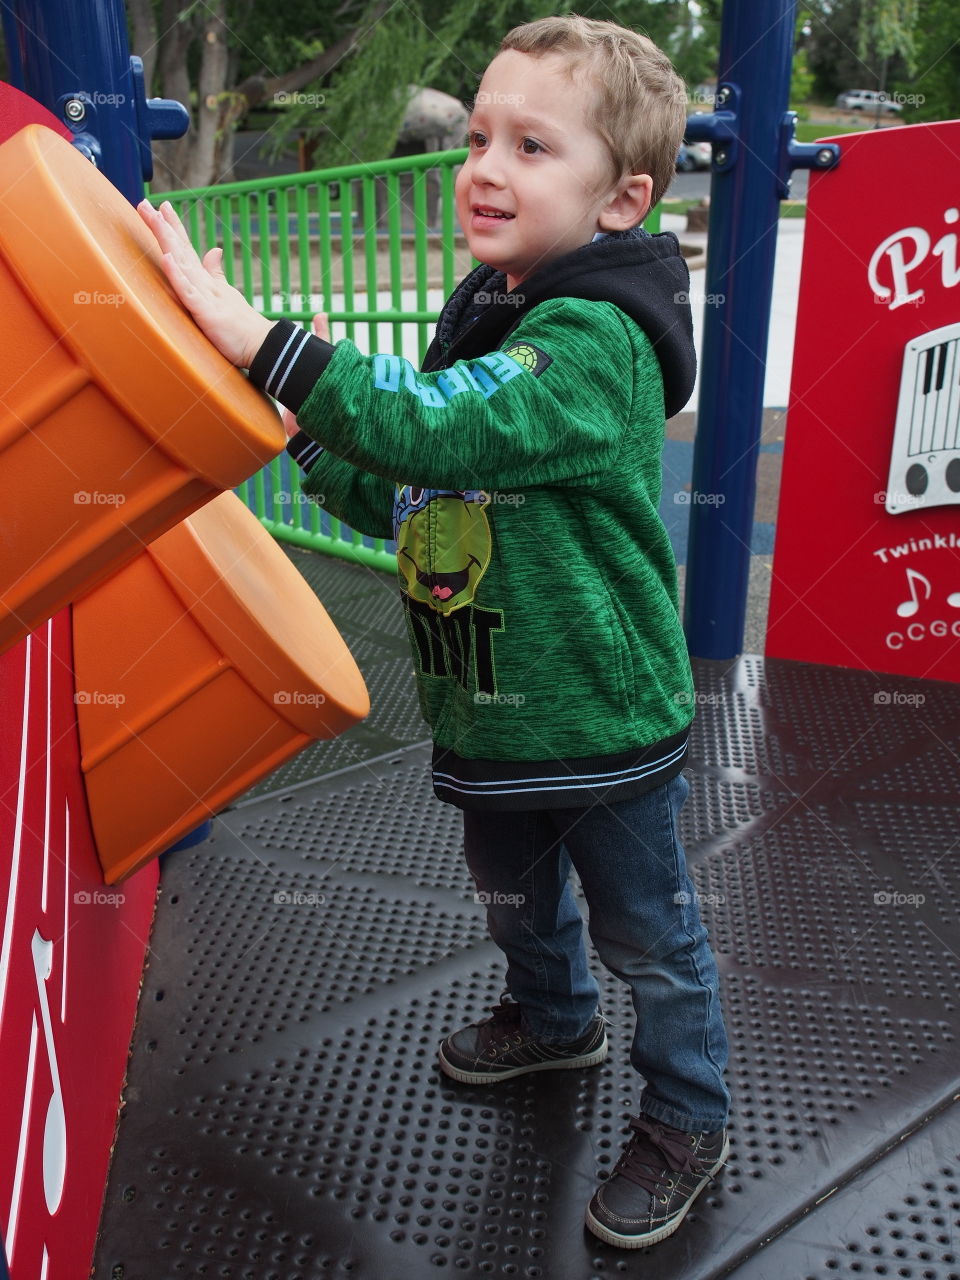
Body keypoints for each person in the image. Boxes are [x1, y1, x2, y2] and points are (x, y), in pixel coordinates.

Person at [138, 13, 730, 1250]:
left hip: (600, 718)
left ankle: (687, 1108)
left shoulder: (595, 342)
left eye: (530, 144)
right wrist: (289, 422)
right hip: (489, 704)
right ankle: (552, 1017)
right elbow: (413, 486)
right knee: (517, 900)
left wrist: (265, 341)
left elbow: (440, 427)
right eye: (479, 135)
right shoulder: (495, 314)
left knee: (649, 934)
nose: (485, 166)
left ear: (624, 197)